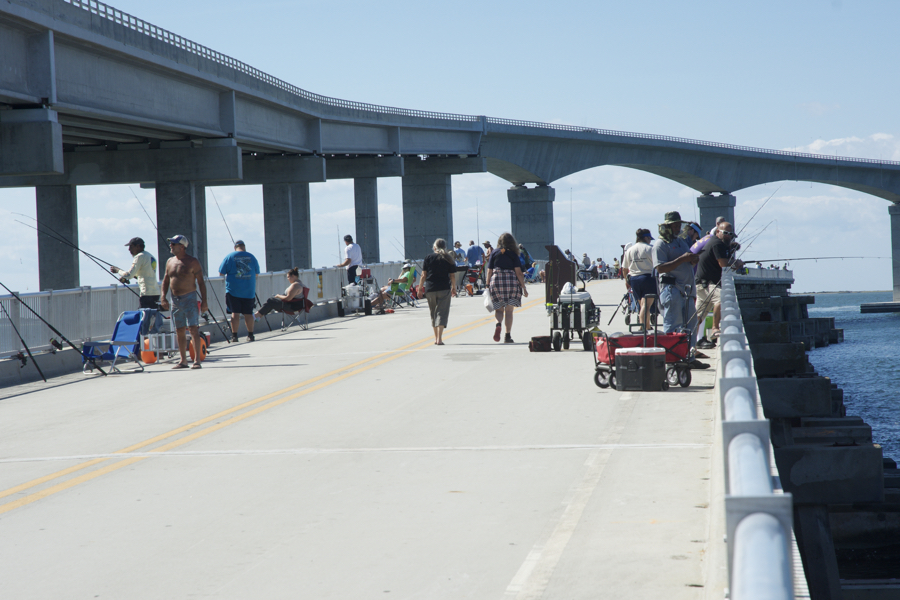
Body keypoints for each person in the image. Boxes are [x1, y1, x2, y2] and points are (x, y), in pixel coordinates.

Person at [651, 211, 707, 369]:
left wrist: (693, 260)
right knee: (673, 325)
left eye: (678, 224)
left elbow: (687, 259)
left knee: (691, 325)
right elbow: (660, 268)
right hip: (671, 290)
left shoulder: (681, 242)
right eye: (674, 225)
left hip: (687, 291)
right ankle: (670, 359)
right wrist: (683, 259)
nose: (677, 227)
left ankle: (689, 357)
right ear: (667, 226)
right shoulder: (660, 244)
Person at [159, 235, 208, 370]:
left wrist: (204, 301)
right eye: (171, 244)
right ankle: (183, 360)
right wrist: (163, 297)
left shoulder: (192, 262)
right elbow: (166, 281)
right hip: (175, 300)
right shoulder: (170, 261)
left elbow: (201, 283)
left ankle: (197, 360)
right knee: (179, 330)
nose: (171, 246)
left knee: (193, 329)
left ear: (182, 247)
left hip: (190, 298)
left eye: (173, 244)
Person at [696, 222, 744, 339]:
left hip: (702, 284)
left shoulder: (720, 244)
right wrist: (736, 264)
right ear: (718, 232)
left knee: (698, 318)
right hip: (707, 284)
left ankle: (689, 346)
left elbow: (724, 258)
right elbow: (723, 264)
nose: (728, 236)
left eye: (731, 234)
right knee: (722, 299)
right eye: (726, 233)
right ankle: (715, 329)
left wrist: (731, 249)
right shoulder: (717, 244)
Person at [486, 232, 529, 344]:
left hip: (496, 280)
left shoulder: (494, 253)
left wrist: (487, 285)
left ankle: (498, 324)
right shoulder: (513, 254)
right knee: (509, 311)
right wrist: (524, 287)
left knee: (499, 310)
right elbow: (519, 273)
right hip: (511, 281)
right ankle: (507, 336)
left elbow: (489, 271)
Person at [416, 239, 458, 345]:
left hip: (430, 289)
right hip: (444, 288)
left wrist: (420, 289)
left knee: (433, 313)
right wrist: (454, 287)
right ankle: (439, 339)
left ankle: (435, 338)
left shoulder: (428, 258)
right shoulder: (448, 258)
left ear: (434, 247)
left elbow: (423, 275)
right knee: (441, 313)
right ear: (445, 247)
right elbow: (452, 275)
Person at [218, 240, 260, 343]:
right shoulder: (252, 257)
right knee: (248, 313)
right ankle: (250, 335)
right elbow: (257, 274)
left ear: (235, 247)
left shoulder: (229, 257)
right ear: (244, 247)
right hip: (249, 291)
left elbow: (221, 273)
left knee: (235, 313)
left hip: (233, 291)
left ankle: (234, 336)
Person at [622, 228, 657, 331]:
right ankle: (643, 328)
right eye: (649, 238)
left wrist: (626, 281)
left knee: (642, 305)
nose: (650, 241)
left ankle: (647, 326)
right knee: (646, 306)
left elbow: (624, 269)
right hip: (648, 278)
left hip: (634, 279)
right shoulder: (650, 249)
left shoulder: (629, 250)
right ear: (645, 238)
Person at [111, 237, 160, 309]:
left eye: (131, 246)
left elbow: (129, 275)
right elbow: (143, 274)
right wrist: (125, 278)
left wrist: (118, 270)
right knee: (152, 316)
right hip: (155, 293)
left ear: (138, 246)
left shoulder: (139, 256)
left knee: (144, 316)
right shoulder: (150, 256)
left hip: (146, 294)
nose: (129, 249)